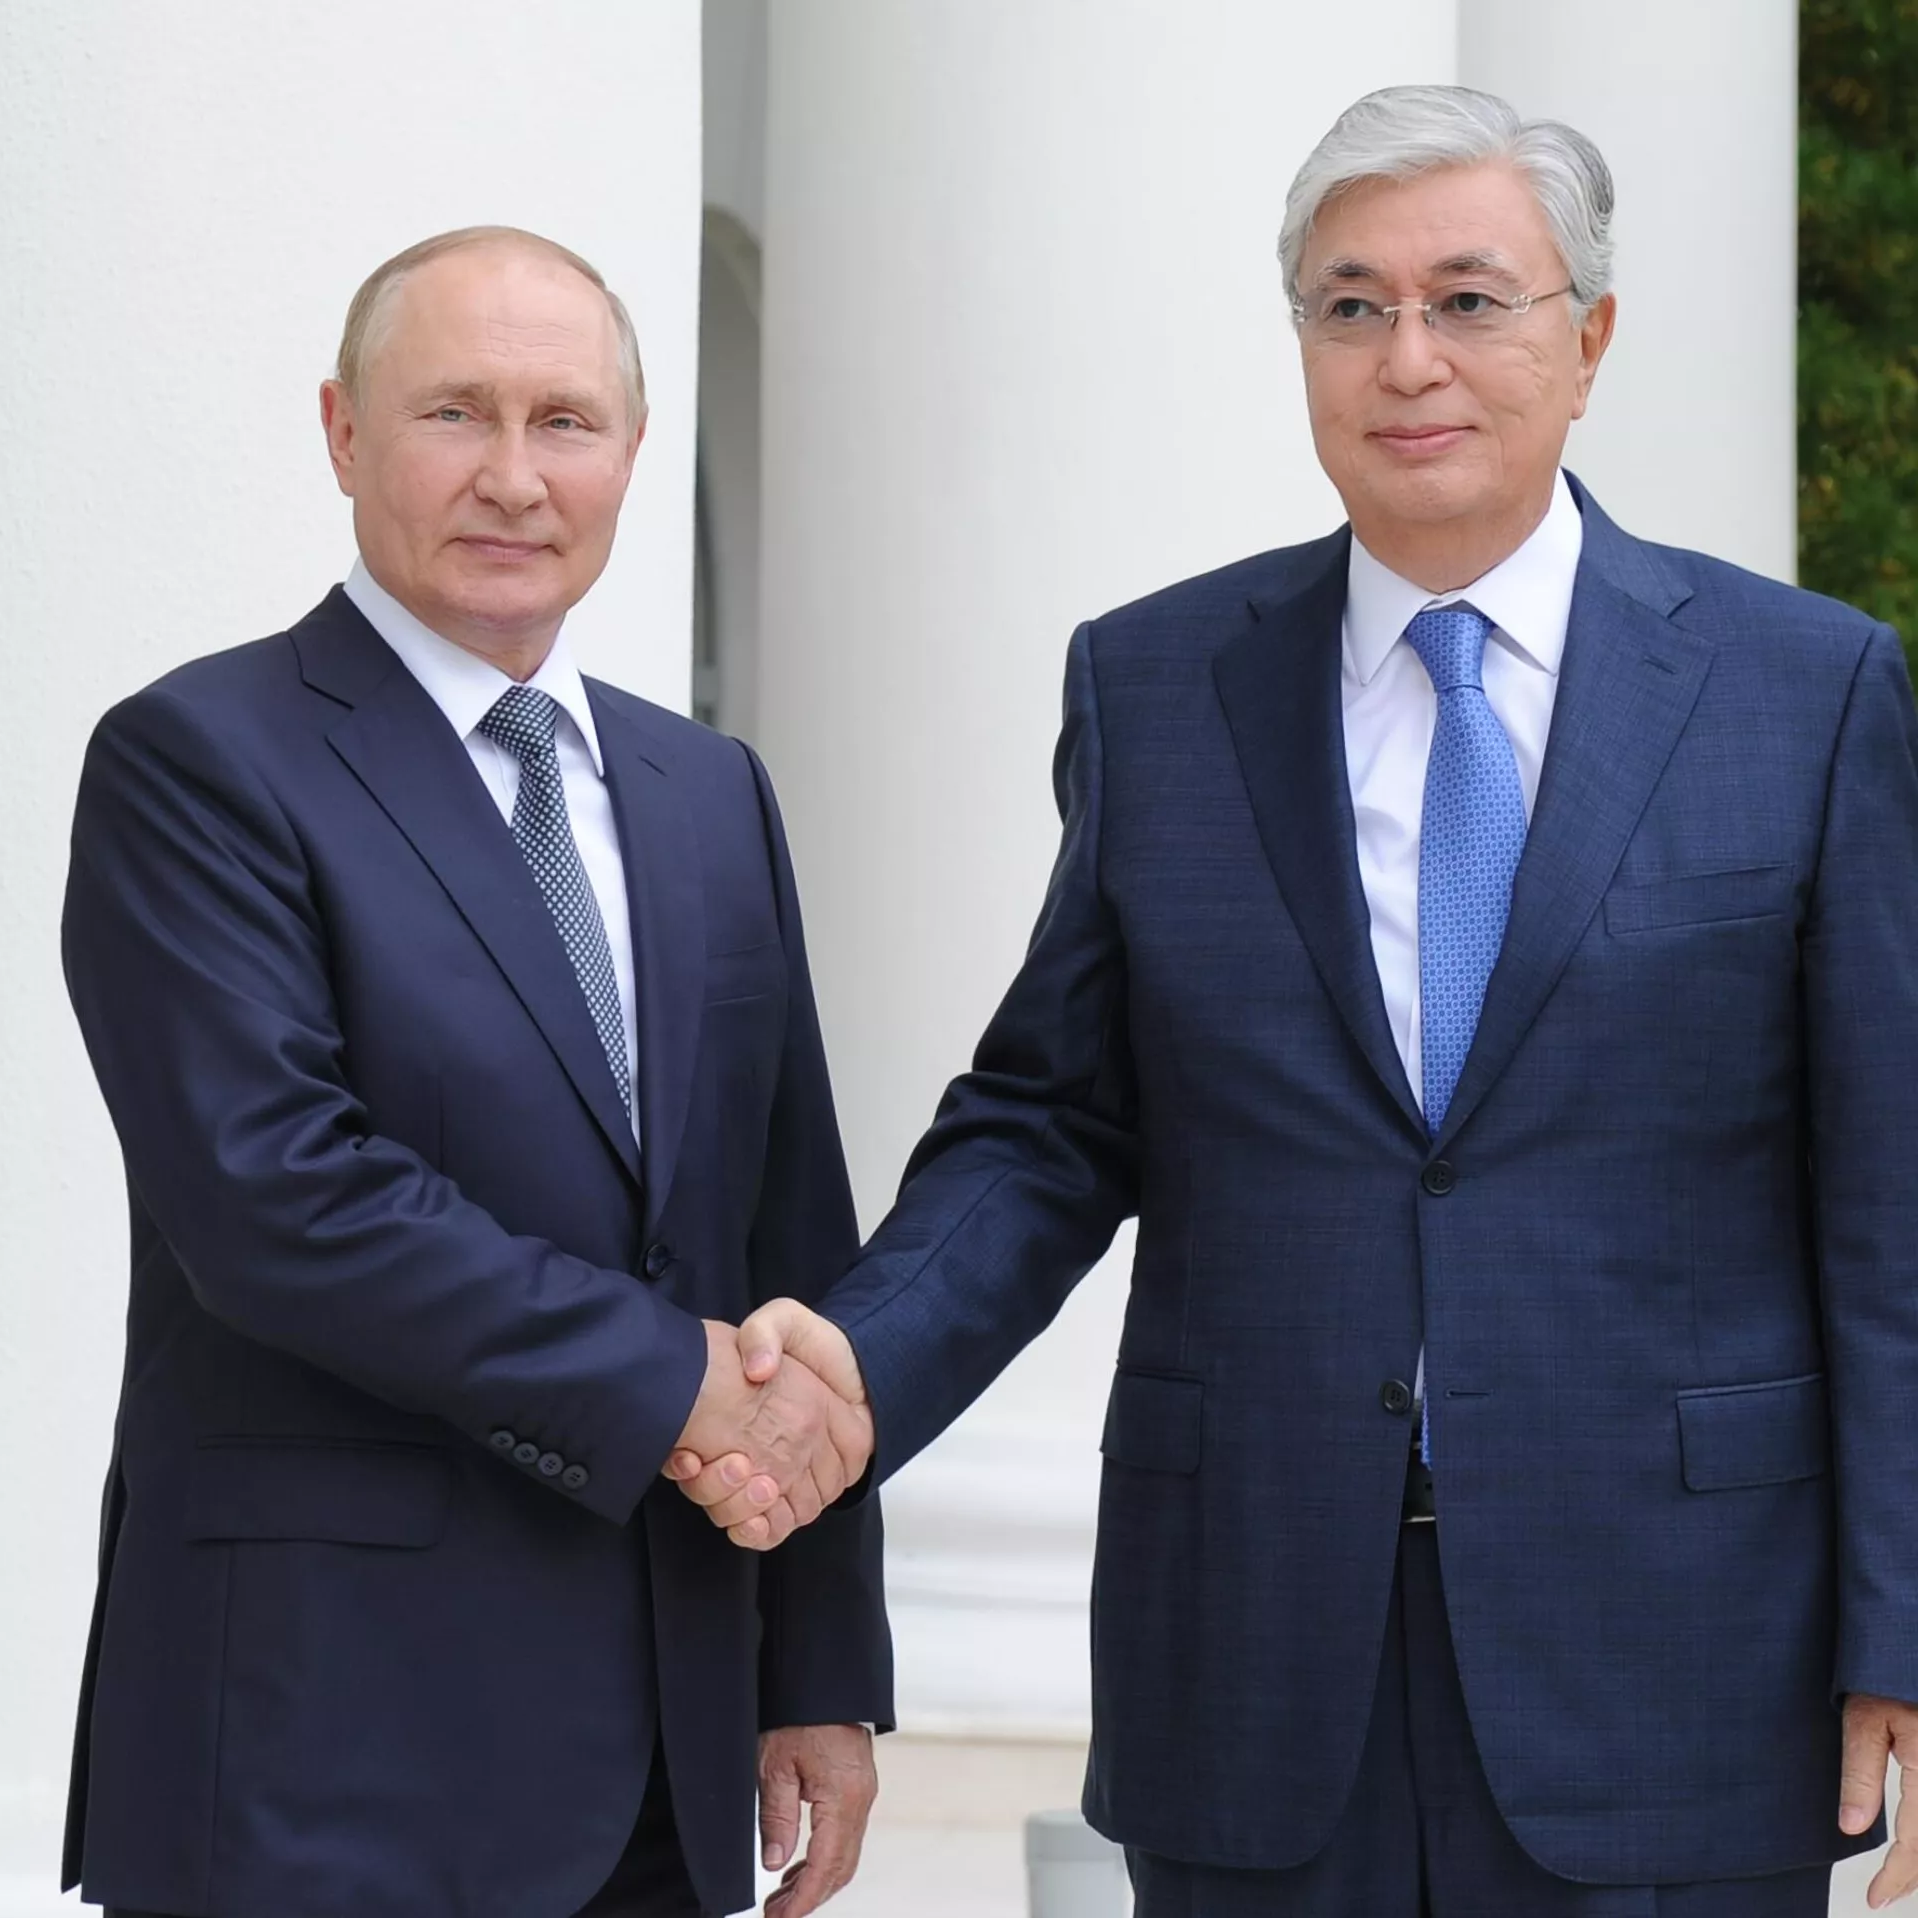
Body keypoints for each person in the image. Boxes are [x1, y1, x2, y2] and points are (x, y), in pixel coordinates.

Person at [668, 87, 1918, 1916]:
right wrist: (852, 1369)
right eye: (1351, 306)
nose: (1407, 357)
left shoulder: (1803, 691)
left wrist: (1905, 1621)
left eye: (1469, 300)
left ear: (1590, 340)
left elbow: (1888, 1203)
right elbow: (1050, 1125)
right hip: (1254, 1654)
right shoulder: (1159, 684)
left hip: (1682, 1662)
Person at [60, 225, 889, 1918]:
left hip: (664, 1756)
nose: (515, 475)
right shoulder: (198, 761)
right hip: (324, 1754)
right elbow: (281, 1201)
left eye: (565, 420)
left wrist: (816, 1662)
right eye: (455, 412)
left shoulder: (710, 792)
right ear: (343, 432)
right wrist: (678, 1379)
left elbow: (790, 1236)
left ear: (632, 453)